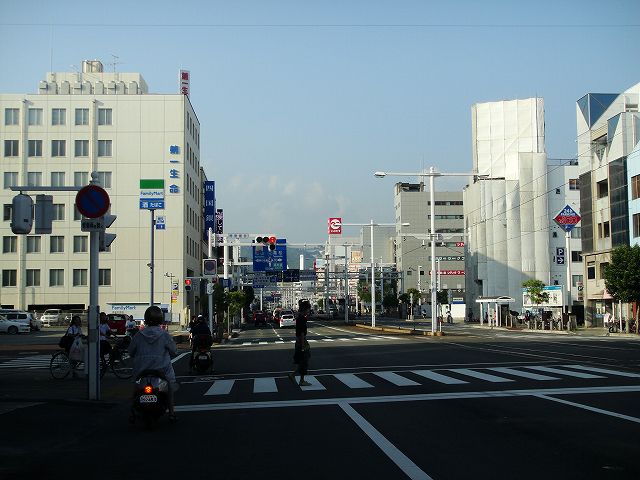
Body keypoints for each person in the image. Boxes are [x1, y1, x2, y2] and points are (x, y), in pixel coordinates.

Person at [128, 305, 178, 420]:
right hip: (162, 370)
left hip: (141, 371)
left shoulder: (139, 335)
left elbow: (130, 351)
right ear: (160, 319)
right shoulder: (164, 335)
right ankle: (171, 413)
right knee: (170, 387)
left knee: (135, 388)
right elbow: (174, 351)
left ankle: (132, 412)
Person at [288, 299, 312, 387]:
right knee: (304, 361)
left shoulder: (299, 318)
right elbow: (302, 333)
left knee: (302, 361)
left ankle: (300, 379)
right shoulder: (302, 319)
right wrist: (303, 345)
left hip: (299, 341)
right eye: (308, 309)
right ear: (305, 309)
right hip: (301, 341)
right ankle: (294, 376)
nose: (309, 311)